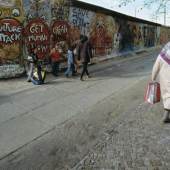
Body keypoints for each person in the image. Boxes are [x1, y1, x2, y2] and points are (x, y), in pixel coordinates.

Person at [152, 42, 170, 123]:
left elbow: (156, 66)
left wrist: (153, 78)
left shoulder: (162, 56)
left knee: (167, 96)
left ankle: (166, 115)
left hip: (164, 81)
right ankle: (166, 116)